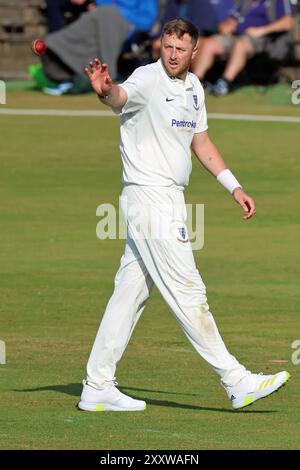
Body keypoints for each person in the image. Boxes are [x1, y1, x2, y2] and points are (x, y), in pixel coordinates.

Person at [78, 19, 290, 412]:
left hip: (169, 199)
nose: (172, 55)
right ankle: (235, 379)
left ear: (194, 52)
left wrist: (234, 186)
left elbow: (201, 140)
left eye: (180, 49)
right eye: (167, 46)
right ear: (161, 45)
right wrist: (106, 90)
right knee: (189, 291)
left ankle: (97, 384)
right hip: (150, 199)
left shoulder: (193, 88)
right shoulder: (146, 77)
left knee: (130, 294)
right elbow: (121, 96)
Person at [39, 1, 158, 95]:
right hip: (99, 21)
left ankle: (104, 76)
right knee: (98, 17)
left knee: (109, 15)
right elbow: (100, 4)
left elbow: (147, 21)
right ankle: (67, 71)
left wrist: (117, 12)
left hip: (127, 26)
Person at [192, 0, 295, 95]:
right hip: (237, 36)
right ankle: (195, 84)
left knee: (241, 45)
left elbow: (288, 22)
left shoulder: (278, 1)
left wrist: (261, 30)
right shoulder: (245, 2)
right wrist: (226, 26)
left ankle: (224, 83)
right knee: (207, 43)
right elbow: (232, 20)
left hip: (265, 39)